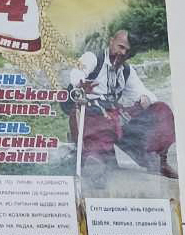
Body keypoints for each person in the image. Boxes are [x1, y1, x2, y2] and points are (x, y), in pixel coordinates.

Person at [67, 28, 176, 179]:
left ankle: (157, 160)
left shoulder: (126, 71)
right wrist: (81, 84)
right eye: (121, 47)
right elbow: (76, 73)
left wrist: (145, 98)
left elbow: (144, 92)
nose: (123, 53)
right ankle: (93, 159)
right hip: (92, 118)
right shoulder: (93, 58)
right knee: (100, 159)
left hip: (115, 121)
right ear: (111, 41)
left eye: (127, 51)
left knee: (161, 110)